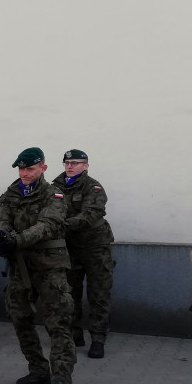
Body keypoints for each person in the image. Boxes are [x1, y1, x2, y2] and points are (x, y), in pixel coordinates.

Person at [0, 147, 76, 384]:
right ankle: (38, 369)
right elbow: (2, 220)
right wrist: (2, 239)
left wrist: (16, 240)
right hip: (21, 267)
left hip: (50, 268)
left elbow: (47, 225)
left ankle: (61, 383)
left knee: (58, 323)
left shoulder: (54, 194)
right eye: (21, 169)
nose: (24, 173)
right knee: (18, 316)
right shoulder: (11, 193)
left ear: (43, 169)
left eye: (30, 169)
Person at [52, 149, 114, 359]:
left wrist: (59, 225)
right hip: (70, 247)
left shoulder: (93, 187)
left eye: (75, 163)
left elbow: (89, 215)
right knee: (70, 293)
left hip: (95, 247)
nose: (70, 166)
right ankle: (74, 333)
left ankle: (98, 339)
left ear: (85, 166)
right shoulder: (55, 186)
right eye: (67, 163)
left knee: (98, 294)